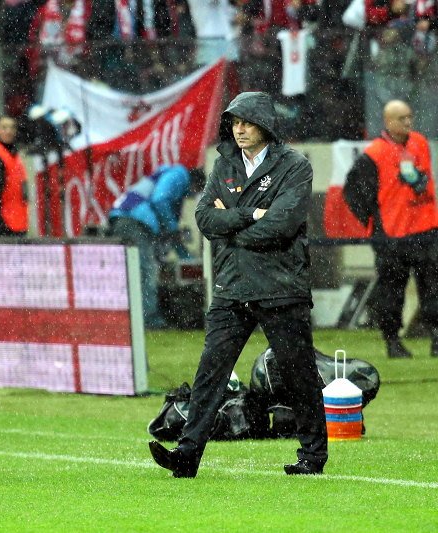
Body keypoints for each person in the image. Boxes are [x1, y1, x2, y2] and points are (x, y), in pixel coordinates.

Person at [148, 91, 328, 477]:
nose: (239, 129)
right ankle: (186, 456)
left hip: (281, 287)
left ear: (265, 125)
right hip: (232, 286)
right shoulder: (224, 163)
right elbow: (204, 219)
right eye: (234, 122)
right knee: (210, 374)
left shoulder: (295, 166)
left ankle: (313, 457)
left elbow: (282, 225)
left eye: (246, 122)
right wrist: (251, 215)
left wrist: (231, 224)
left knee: (299, 374)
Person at [343, 99, 438, 359]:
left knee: (433, 286)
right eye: (401, 118)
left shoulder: (420, 142)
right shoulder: (374, 154)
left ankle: (436, 335)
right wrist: (373, 220)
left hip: (426, 228)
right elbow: (352, 191)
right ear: (387, 122)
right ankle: (392, 340)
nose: (408, 122)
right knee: (391, 290)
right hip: (392, 235)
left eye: (410, 116)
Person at [108, 164, 205, 329]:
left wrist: (186, 257)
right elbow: (160, 200)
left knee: (133, 271)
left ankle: (130, 318)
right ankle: (150, 320)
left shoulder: (167, 174)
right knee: (147, 270)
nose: (191, 196)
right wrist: (173, 230)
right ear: (195, 183)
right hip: (134, 220)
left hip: (123, 218)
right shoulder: (179, 174)